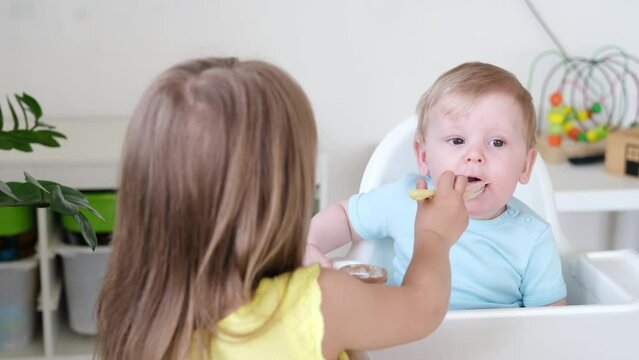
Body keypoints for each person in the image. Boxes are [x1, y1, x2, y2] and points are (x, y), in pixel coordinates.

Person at [95, 57, 470, 360]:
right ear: (283, 191)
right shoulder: (319, 301)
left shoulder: (136, 309)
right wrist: (434, 236)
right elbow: (424, 308)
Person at [305, 62, 567, 310]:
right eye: (456, 140)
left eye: (497, 143)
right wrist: (308, 243)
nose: (474, 155)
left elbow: (551, 326)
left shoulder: (533, 238)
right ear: (423, 156)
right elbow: (345, 217)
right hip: (410, 343)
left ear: (525, 165)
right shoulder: (407, 199)